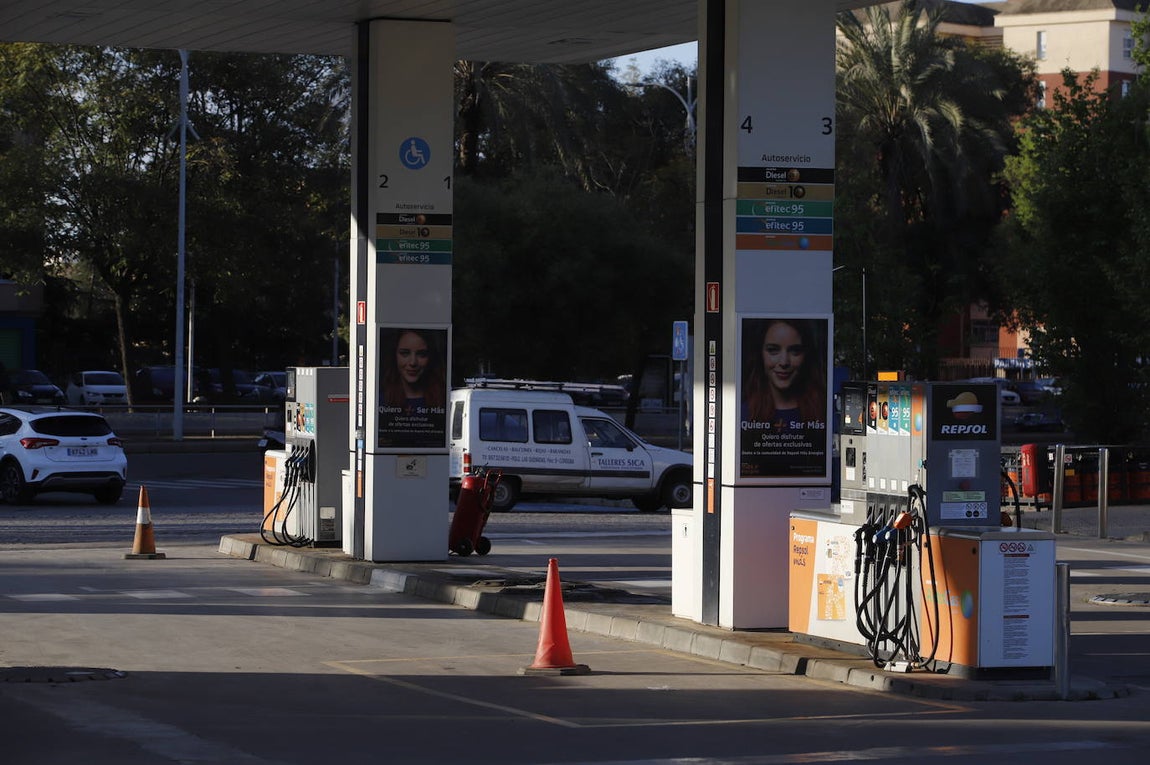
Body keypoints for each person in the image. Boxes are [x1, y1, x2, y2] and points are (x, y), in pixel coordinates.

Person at [742, 318, 826, 429]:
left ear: (806, 355)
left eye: (795, 351)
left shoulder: (823, 412)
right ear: (760, 354)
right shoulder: (742, 414)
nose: (784, 362)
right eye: (773, 350)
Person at [380, 328, 446, 414]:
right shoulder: (380, 401)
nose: (413, 362)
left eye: (421, 354)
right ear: (394, 356)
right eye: (405, 353)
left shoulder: (444, 401)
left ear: (431, 358)